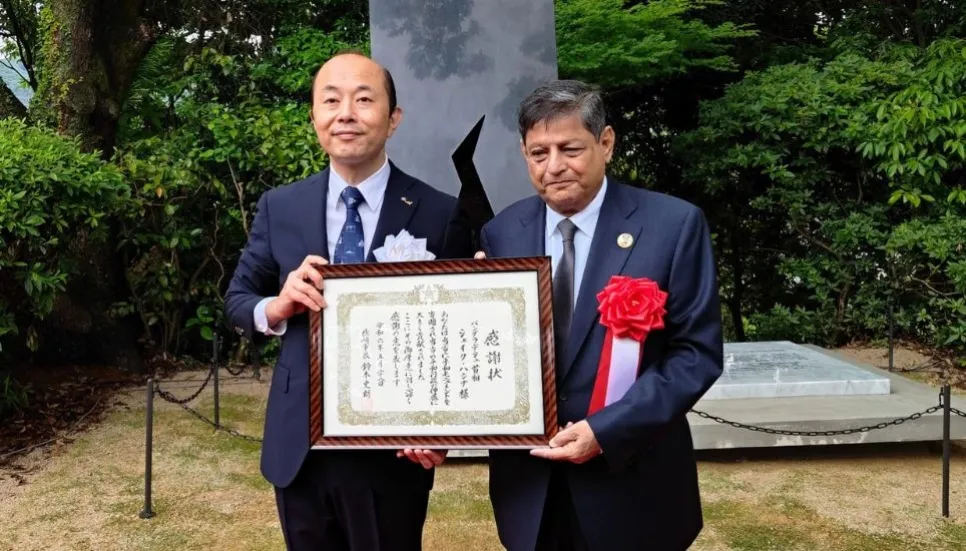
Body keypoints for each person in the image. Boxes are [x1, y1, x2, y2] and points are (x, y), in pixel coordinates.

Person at [225, 52, 458, 551]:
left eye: (364, 99)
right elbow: (238, 300)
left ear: (393, 119)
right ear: (314, 117)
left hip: (393, 453)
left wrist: (440, 429)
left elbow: (458, 329)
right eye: (330, 100)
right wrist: (278, 306)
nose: (346, 113)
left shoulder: (440, 212)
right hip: (300, 446)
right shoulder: (280, 206)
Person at [478, 80, 724, 551]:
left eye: (570, 148)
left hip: (633, 484)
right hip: (531, 491)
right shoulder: (502, 232)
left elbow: (694, 354)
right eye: (537, 153)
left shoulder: (673, 226)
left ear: (605, 143)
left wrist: (605, 431)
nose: (553, 167)